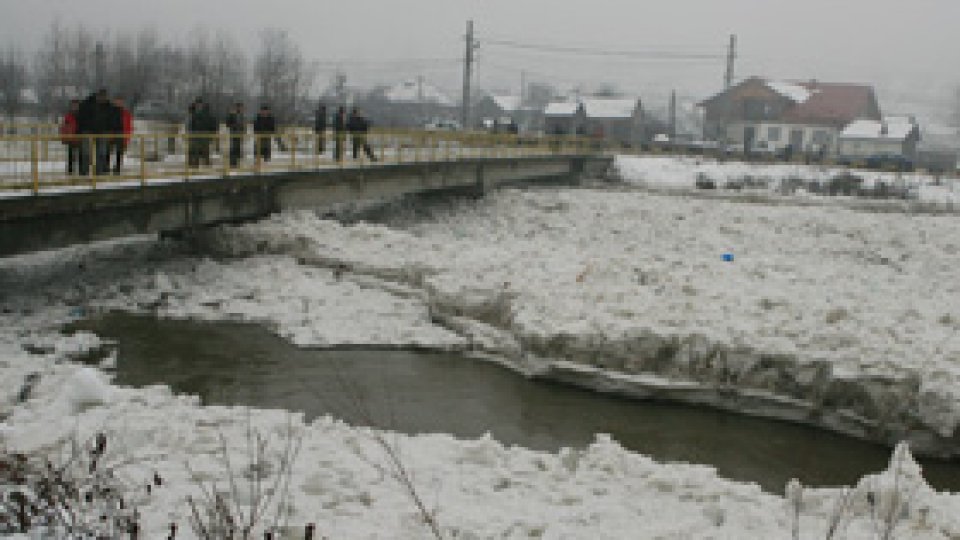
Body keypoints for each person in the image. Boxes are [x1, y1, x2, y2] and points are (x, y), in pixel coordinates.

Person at [108, 96, 132, 174]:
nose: (119, 103)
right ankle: (106, 167)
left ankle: (117, 168)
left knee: (119, 152)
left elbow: (129, 126)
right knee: (108, 151)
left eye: (120, 101)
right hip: (111, 133)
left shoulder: (126, 113)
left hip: (121, 133)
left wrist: (127, 137)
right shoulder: (110, 111)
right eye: (117, 101)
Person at [60, 99, 80, 175]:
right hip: (71, 137)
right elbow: (65, 126)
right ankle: (70, 170)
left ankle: (81, 171)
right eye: (73, 105)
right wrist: (65, 137)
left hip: (79, 137)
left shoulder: (81, 115)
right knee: (71, 155)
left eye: (76, 105)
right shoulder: (68, 116)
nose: (75, 107)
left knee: (81, 155)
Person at [225, 102, 245, 167]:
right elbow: (227, 124)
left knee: (238, 148)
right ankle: (232, 163)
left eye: (241, 107)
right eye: (238, 107)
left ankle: (237, 163)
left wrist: (243, 130)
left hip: (240, 134)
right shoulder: (232, 115)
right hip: (233, 134)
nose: (240, 108)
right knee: (233, 148)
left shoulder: (242, 115)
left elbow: (243, 125)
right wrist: (234, 126)